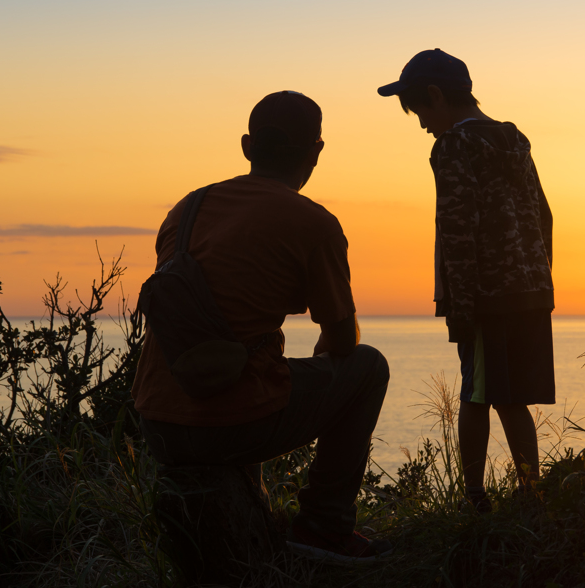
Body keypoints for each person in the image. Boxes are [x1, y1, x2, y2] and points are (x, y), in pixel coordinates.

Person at [131, 90, 392, 562]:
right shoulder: (313, 223)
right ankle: (324, 526)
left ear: (248, 147)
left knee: (251, 361)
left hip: (157, 422)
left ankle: (257, 518)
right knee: (368, 367)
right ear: (316, 152)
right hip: (227, 424)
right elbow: (340, 342)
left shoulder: (185, 210)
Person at [377, 50, 555, 512]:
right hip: (530, 289)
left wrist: (459, 307)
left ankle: (474, 499)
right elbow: (545, 216)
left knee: (475, 395)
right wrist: (539, 277)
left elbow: (458, 229)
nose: (421, 124)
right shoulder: (515, 139)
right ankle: (529, 493)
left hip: (484, 297)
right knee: (511, 396)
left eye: (420, 111)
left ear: (436, 96)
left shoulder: (454, 147)